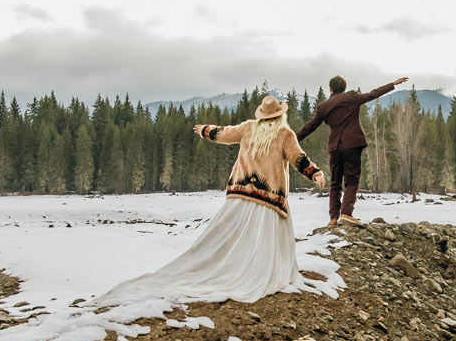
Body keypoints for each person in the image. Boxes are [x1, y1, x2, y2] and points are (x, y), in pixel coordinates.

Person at [96, 94, 324, 306]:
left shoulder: (248, 128)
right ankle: (256, 272)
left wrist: (206, 130)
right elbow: (298, 158)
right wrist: (314, 173)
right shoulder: (285, 134)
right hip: (269, 199)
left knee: (231, 239)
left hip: (241, 195)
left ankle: (234, 270)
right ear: (280, 115)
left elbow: (224, 133)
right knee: (264, 241)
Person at [297, 74, 407, 225]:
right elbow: (373, 94)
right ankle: (346, 214)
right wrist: (392, 84)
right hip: (352, 146)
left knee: (335, 183)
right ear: (344, 88)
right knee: (352, 180)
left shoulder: (323, 107)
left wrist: (292, 139)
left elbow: (310, 127)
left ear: (330, 89)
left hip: (335, 147)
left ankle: (333, 218)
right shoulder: (352, 98)